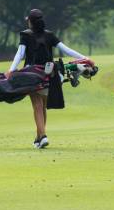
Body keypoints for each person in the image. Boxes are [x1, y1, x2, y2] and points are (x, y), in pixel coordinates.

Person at [6, 9, 93, 149]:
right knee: (43, 106)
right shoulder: (49, 35)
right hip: (50, 74)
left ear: (31, 21)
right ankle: (39, 137)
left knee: (37, 106)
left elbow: (20, 54)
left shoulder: (25, 35)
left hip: (31, 74)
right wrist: (85, 58)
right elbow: (67, 50)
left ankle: (43, 135)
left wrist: (11, 70)